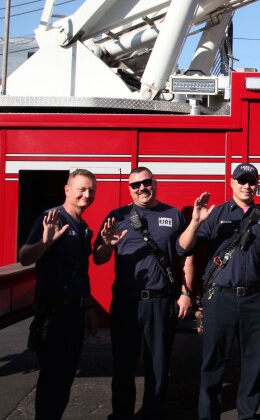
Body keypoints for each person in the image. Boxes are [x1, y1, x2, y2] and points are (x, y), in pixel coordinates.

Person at [178, 163, 260, 420]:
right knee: (213, 364)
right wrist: (195, 222)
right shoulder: (216, 215)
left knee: (253, 364)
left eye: (251, 181)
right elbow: (183, 248)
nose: (247, 185)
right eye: (242, 180)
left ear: (257, 184)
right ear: (232, 182)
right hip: (220, 298)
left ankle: (247, 415)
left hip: (256, 300)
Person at [93, 167, 193, 419]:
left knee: (158, 366)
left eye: (146, 182)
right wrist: (106, 244)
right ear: (129, 189)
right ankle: (122, 414)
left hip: (161, 302)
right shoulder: (117, 216)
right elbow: (98, 259)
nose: (141, 188)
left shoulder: (173, 214)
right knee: (123, 365)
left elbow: (186, 256)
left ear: (155, 183)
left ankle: (153, 412)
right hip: (127, 303)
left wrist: (186, 292)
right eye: (135, 185)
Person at [19, 169, 97, 420]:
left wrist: (87, 307)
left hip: (74, 313)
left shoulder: (84, 228)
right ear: (67, 190)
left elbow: (81, 272)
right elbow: (24, 258)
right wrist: (45, 242)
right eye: (82, 189)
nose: (87, 194)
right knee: (53, 379)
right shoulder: (51, 217)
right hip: (53, 314)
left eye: (91, 190)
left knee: (65, 379)